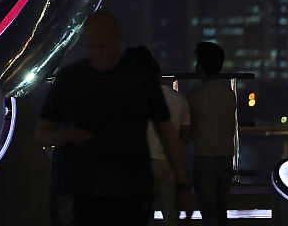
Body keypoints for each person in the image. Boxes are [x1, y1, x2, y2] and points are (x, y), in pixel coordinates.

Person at [37, 11, 190, 226]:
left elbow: (42, 132)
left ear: (118, 41)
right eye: (94, 47)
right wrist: (182, 184)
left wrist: (64, 136)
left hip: (112, 189)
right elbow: (167, 133)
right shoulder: (137, 79)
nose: (99, 53)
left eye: (103, 46)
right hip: (102, 190)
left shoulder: (73, 78)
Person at [125, 46, 191, 226]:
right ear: (159, 75)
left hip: (142, 163)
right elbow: (185, 137)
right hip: (169, 164)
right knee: (170, 214)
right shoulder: (179, 99)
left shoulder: (132, 99)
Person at [187, 41, 236, 225]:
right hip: (225, 157)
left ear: (201, 66)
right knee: (221, 212)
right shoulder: (229, 94)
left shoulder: (196, 95)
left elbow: (189, 128)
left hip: (204, 158)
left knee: (208, 214)